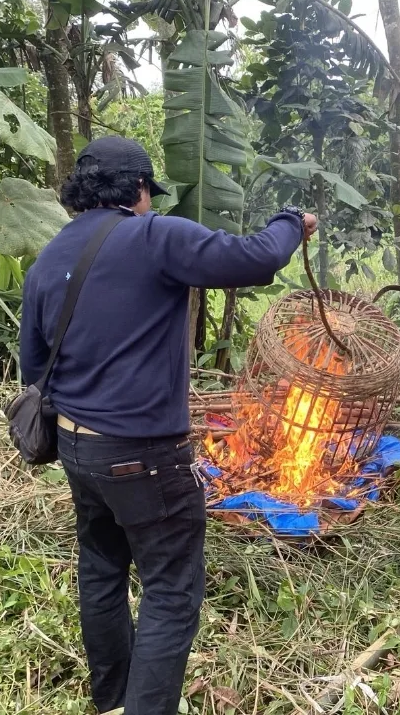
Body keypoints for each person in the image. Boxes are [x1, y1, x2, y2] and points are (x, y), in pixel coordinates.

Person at [20, 136, 317, 715]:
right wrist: (290, 221)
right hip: (144, 455)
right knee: (170, 590)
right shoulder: (155, 236)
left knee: (101, 569)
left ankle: (112, 702)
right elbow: (255, 258)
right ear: (137, 190)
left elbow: (35, 370)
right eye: (149, 194)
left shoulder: (49, 258)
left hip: (78, 450)